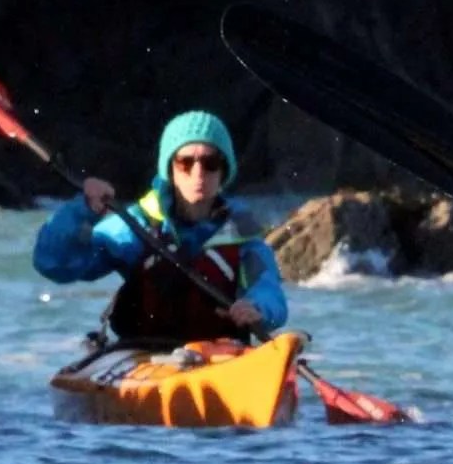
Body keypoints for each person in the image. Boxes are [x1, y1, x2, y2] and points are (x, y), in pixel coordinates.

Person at [31, 110, 289, 346]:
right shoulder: (135, 226)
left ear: (223, 171)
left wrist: (257, 308)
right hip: (144, 353)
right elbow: (54, 263)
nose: (198, 173)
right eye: (185, 162)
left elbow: (269, 291)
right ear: (170, 170)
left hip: (221, 353)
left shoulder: (244, 238)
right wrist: (80, 210)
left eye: (210, 162)